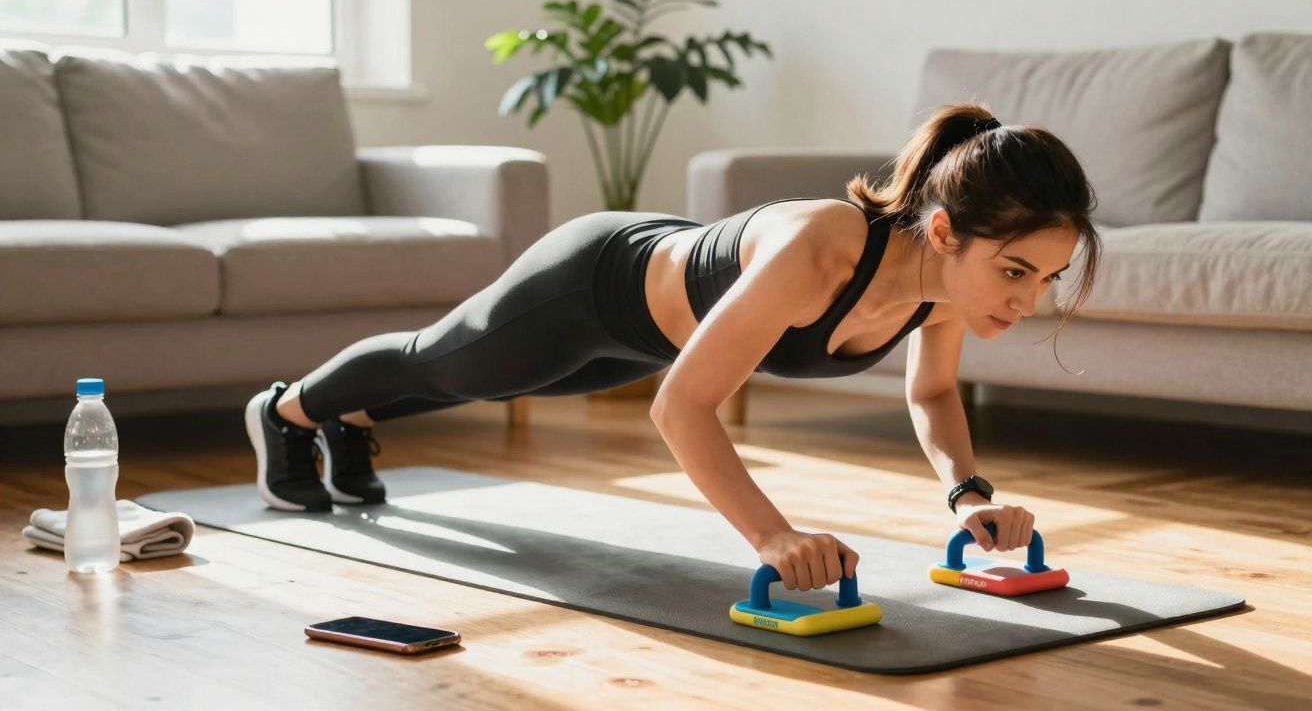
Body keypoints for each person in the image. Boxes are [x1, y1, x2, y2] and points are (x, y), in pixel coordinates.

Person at [244, 102, 1102, 594]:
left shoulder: (942, 287)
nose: (1026, 301)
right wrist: (771, 537)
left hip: (648, 337)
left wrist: (966, 493)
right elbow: (681, 406)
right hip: (592, 283)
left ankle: (347, 420)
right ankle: (286, 411)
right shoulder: (821, 250)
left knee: (494, 386)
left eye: (1048, 279)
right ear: (946, 231)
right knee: (446, 360)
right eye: (1016, 271)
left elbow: (931, 396)